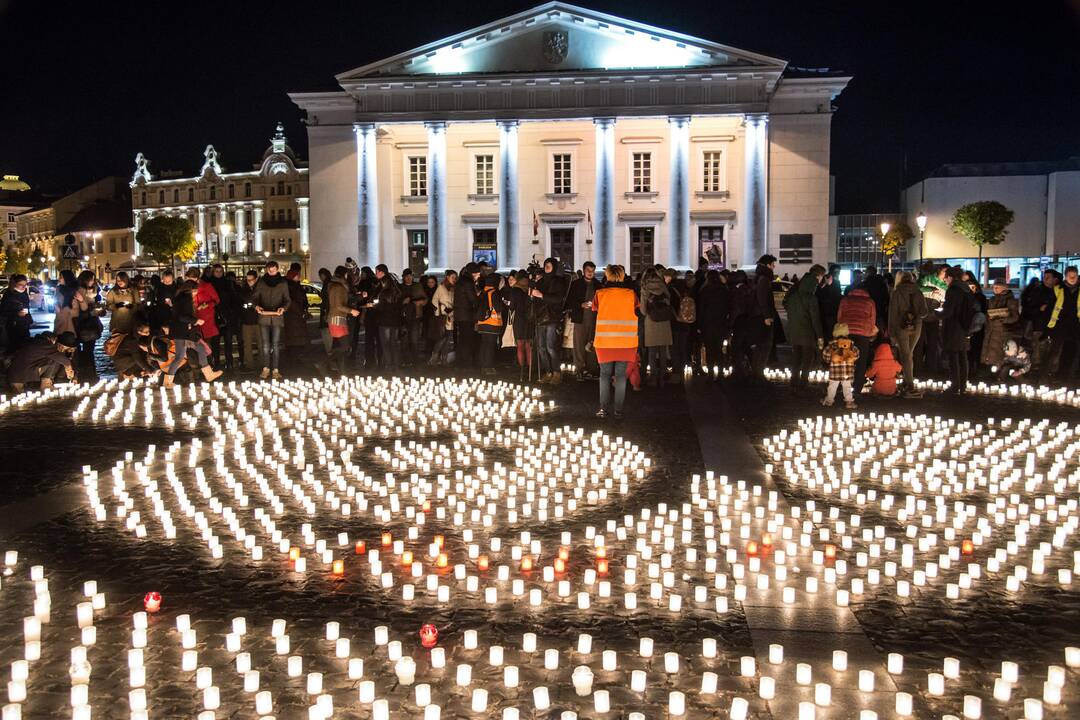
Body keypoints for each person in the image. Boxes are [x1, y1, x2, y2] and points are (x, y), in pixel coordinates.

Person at [593, 265, 638, 418]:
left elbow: (594, 311)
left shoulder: (600, 293)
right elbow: (638, 311)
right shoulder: (631, 294)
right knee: (620, 376)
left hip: (604, 341)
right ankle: (618, 410)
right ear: (622, 275)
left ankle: (603, 409)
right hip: (626, 342)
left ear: (607, 275)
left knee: (604, 375)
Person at [165, 276, 223, 388]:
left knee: (195, 351)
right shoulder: (186, 299)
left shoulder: (180, 298)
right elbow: (182, 316)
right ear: (190, 289)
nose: (196, 294)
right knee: (182, 356)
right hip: (184, 332)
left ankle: (208, 374)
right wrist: (196, 320)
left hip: (181, 331)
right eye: (195, 291)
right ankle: (168, 381)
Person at [783, 265, 826, 395]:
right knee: (807, 359)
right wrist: (820, 336)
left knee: (796, 358)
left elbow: (786, 305)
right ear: (818, 276)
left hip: (795, 331)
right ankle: (803, 384)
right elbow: (815, 319)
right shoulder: (811, 298)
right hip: (807, 333)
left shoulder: (794, 294)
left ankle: (793, 382)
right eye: (821, 277)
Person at [887, 271, 929, 398]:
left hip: (902, 326)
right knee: (909, 353)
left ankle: (909, 385)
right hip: (916, 326)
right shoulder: (918, 292)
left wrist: (892, 332)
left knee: (906, 355)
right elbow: (924, 312)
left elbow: (892, 314)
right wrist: (916, 315)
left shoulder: (897, 293)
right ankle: (907, 382)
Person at [251, 260, 290, 380]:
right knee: (265, 345)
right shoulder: (262, 282)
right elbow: (255, 297)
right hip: (264, 317)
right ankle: (266, 368)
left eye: (273, 270)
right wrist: (256, 306)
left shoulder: (283, 283)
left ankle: (276, 369)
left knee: (276, 344)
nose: (271, 272)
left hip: (277, 317)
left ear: (277, 270)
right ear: (266, 270)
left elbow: (287, 300)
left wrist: (283, 308)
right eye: (269, 270)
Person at [531, 258, 567, 384]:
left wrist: (542, 296)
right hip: (540, 316)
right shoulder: (540, 282)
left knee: (550, 346)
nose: (547, 266)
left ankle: (556, 372)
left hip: (552, 317)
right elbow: (536, 299)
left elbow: (558, 299)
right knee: (541, 347)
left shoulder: (558, 282)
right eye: (545, 264)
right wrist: (534, 295)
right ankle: (548, 371)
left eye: (549, 265)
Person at [836, 284, 877, 394]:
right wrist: (870, 332)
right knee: (861, 361)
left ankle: (844, 386)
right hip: (863, 334)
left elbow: (839, 317)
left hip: (846, 333)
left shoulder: (845, 300)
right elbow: (872, 319)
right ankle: (857, 388)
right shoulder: (870, 302)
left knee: (845, 360)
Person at [940, 266, 975, 394]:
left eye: (946, 278)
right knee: (962, 355)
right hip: (965, 326)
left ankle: (955, 385)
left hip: (954, 327)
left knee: (953, 356)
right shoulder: (966, 288)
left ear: (950, 277)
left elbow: (948, 311)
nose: (945, 280)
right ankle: (963, 385)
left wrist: (936, 314)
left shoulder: (953, 290)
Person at [564, 261, 601, 381]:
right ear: (584, 270)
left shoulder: (598, 285)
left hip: (594, 319)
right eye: (588, 270)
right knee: (579, 344)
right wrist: (581, 304)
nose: (590, 273)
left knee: (592, 344)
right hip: (580, 318)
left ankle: (591, 369)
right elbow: (570, 301)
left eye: (592, 271)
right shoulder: (576, 284)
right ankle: (580, 369)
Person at [7, 331, 76, 392]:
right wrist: (69, 368)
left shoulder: (37, 342)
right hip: (19, 376)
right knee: (53, 358)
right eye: (62, 346)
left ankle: (45, 383)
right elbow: (62, 359)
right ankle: (45, 383)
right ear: (53, 339)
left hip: (18, 374)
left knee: (53, 358)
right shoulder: (44, 344)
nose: (63, 349)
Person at [1045, 266, 1080, 380]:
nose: (1073, 278)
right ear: (1065, 276)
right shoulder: (1058, 289)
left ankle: (1066, 375)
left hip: (1076, 325)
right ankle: (1045, 376)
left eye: (1074, 276)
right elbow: (1051, 307)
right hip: (1060, 325)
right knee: (1054, 351)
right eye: (1070, 276)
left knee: (1071, 351)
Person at [639, 267, 672, 387]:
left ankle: (653, 377)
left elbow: (642, 310)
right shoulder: (663, 286)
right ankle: (663, 377)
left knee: (652, 352)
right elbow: (669, 300)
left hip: (651, 321)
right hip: (664, 321)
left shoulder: (645, 288)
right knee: (663, 350)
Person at [325, 266, 360, 376]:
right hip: (337, 319)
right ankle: (325, 361)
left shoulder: (338, 286)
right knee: (344, 346)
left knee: (343, 347)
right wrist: (351, 311)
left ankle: (342, 372)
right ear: (344, 274)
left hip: (341, 318)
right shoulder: (337, 287)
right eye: (347, 274)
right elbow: (338, 305)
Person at [1022, 269, 1057, 377]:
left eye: (1048, 277)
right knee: (1037, 349)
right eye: (1044, 277)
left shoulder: (1058, 291)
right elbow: (1028, 308)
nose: (1045, 279)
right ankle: (1036, 371)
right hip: (1039, 325)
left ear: (1054, 279)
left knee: (1052, 350)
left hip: (1054, 325)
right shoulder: (1037, 291)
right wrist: (1039, 309)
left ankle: (1051, 371)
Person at [695, 270, 730, 377]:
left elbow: (701, 309)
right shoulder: (724, 289)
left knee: (709, 349)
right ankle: (719, 372)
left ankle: (710, 373)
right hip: (721, 323)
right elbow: (728, 307)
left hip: (708, 324)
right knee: (719, 349)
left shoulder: (705, 290)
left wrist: (699, 325)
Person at [981, 277, 1019, 373]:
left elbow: (1015, 317)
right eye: (994, 287)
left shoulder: (1010, 300)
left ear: (1004, 288)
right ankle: (989, 370)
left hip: (1002, 331)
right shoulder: (992, 299)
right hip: (991, 329)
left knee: (1000, 353)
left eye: (997, 287)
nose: (995, 289)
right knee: (989, 351)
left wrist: (1003, 319)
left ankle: (1000, 372)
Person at [916, 262, 948, 377]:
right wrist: (931, 289)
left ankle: (931, 368)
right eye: (944, 272)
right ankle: (918, 367)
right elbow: (918, 288)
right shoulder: (928, 278)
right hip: (922, 314)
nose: (946, 275)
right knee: (919, 343)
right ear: (939, 270)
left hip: (935, 316)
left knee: (933, 344)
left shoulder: (946, 285)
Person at [751, 254, 779, 381]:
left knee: (763, 345)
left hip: (760, 316)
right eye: (773, 264)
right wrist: (767, 316)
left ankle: (758, 371)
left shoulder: (761, 277)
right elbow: (762, 299)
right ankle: (758, 372)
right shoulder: (763, 279)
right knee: (764, 345)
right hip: (763, 318)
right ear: (768, 265)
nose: (774, 267)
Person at [821, 323, 859, 409]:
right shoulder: (851, 346)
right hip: (847, 373)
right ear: (847, 334)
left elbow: (826, 355)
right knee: (847, 387)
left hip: (835, 373)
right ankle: (849, 402)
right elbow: (856, 354)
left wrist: (828, 360)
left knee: (832, 387)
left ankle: (829, 401)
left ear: (834, 334)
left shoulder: (831, 346)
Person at [208, 264, 238, 370]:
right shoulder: (210, 284)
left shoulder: (228, 283)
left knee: (228, 341)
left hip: (227, 316)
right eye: (216, 271)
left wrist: (231, 312)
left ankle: (229, 362)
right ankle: (216, 363)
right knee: (215, 342)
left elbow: (234, 299)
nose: (219, 273)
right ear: (213, 272)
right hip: (214, 316)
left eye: (220, 271)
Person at [506, 270, 535, 381]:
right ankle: (530, 369)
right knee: (529, 345)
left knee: (520, 345)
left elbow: (512, 307)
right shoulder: (530, 288)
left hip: (519, 320)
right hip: (530, 320)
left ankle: (522, 370)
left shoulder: (515, 290)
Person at [476, 273, 506, 376]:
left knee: (484, 344)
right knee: (490, 345)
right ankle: (488, 367)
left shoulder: (483, 291)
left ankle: (482, 365)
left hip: (482, 322)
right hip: (492, 323)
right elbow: (498, 308)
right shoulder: (494, 293)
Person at [373, 273, 403, 370]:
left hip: (385, 321)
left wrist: (374, 306)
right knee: (393, 343)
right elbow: (400, 308)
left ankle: (388, 365)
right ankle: (396, 364)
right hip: (395, 322)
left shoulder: (383, 293)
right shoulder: (397, 293)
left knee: (385, 344)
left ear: (384, 282)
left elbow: (381, 308)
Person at [282, 264, 309, 374]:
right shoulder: (291, 287)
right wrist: (300, 312)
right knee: (294, 337)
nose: (299, 277)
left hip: (295, 315)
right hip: (293, 316)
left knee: (297, 337)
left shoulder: (295, 286)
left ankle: (295, 357)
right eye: (297, 275)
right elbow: (292, 301)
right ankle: (293, 358)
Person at [454, 264, 480, 370]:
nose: (479, 276)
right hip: (467, 315)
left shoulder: (461, 281)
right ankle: (465, 363)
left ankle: (461, 362)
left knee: (462, 339)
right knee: (467, 339)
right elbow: (472, 299)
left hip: (460, 314)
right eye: (478, 274)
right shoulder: (468, 282)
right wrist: (478, 299)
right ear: (474, 273)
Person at [0, 274, 33, 353]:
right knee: (15, 347)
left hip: (25, 324)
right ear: (15, 283)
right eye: (21, 285)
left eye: (25, 285)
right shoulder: (8, 295)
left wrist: (29, 319)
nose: (23, 287)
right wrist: (16, 314)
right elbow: (3, 312)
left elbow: (27, 308)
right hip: (14, 325)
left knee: (25, 347)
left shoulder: (24, 294)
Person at [430, 270, 457, 366]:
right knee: (441, 338)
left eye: (455, 277)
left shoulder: (453, 289)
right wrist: (440, 312)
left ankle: (444, 359)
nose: (454, 279)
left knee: (447, 339)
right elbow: (434, 301)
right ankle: (434, 359)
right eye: (452, 277)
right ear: (447, 277)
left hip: (451, 317)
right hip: (442, 317)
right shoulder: (441, 288)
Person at [401, 269, 427, 366]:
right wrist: (403, 302)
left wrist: (421, 302)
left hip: (416, 316)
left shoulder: (417, 286)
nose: (408, 278)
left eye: (410, 276)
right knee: (404, 340)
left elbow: (425, 299)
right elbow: (397, 301)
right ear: (403, 277)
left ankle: (415, 361)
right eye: (406, 276)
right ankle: (405, 360)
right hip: (404, 317)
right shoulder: (400, 287)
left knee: (415, 340)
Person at [236, 271, 261, 371]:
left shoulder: (260, 289)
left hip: (258, 320)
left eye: (251, 280)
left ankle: (262, 364)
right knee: (247, 344)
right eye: (248, 280)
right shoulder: (244, 290)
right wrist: (247, 305)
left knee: (261, 343)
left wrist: (249, 304)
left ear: (256, 279)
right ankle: (249, 365)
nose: (249, 282)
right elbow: (242, 303)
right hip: (246, 321)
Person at [105, 272, 139, 336]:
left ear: (126, 280)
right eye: (118, 280)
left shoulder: (133, 290)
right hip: (117, 323)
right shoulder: (113, 291)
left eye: (122, 280)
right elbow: (107, 306)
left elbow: (139, 305)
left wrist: (132, 306)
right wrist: (116, 305)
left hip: (131, 322)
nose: (120, 282)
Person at [816, 267, 842, 341]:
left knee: (829, 331)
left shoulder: (834, 281)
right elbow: (831, 295)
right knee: (829, 332)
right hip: (828, 311)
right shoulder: (828, 280)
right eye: (837, 272)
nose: (838, 274)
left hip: (829, 311)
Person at [316, 267, 333, 355]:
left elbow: (327, 299)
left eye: (320, 276)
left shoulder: (327, 284)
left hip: (326, 310)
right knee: (327, 331)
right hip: (327, 309)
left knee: (326, 331)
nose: (320, 278)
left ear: (323, 275)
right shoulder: (330, 283)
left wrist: (326, 312)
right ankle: (330, 351)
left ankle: (329, 351)